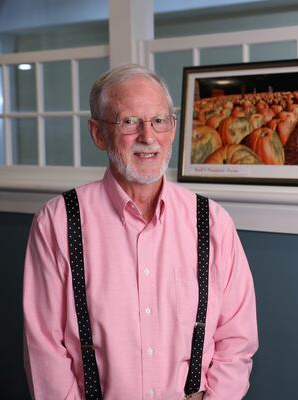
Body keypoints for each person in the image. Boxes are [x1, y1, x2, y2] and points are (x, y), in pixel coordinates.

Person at [23, 64, 258, 400]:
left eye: (159, 120)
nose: (148, 137)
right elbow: (43, 348)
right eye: (129, 121)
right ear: (98, 133)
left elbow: (237, 339)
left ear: (173, 128)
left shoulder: (213, 223)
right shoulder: (57, 223)